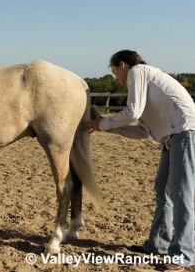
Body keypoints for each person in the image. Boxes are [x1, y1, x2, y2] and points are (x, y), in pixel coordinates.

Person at [83, 50, 195, 272]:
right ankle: (157, 244)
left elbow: (131, 112)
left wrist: (104, 123)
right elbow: (142, 132)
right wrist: (105, 128)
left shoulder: (138, 72)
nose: (116, 78)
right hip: (171, 137)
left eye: (114, 72)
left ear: (122, 65)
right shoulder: (145, 83)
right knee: (163, 190)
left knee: (181, 193)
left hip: (184, 132)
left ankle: (183, 254)